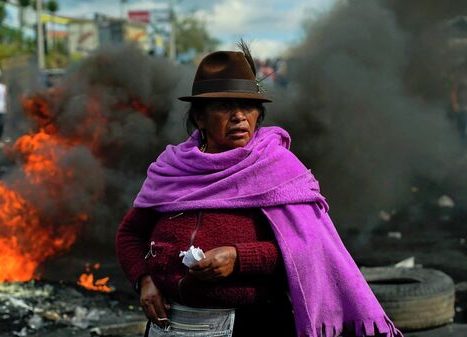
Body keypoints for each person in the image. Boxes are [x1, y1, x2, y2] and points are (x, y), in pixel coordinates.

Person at [116, 45, 403, 337]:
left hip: (256, 323)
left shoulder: (279, 170)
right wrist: (144, 280)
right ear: (200, 118)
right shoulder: (172, 169)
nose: (239, 116)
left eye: (248, 106)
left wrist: (239, 258)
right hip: (172, 326)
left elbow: (310, 248)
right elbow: (129, 235)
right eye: (225, 106)